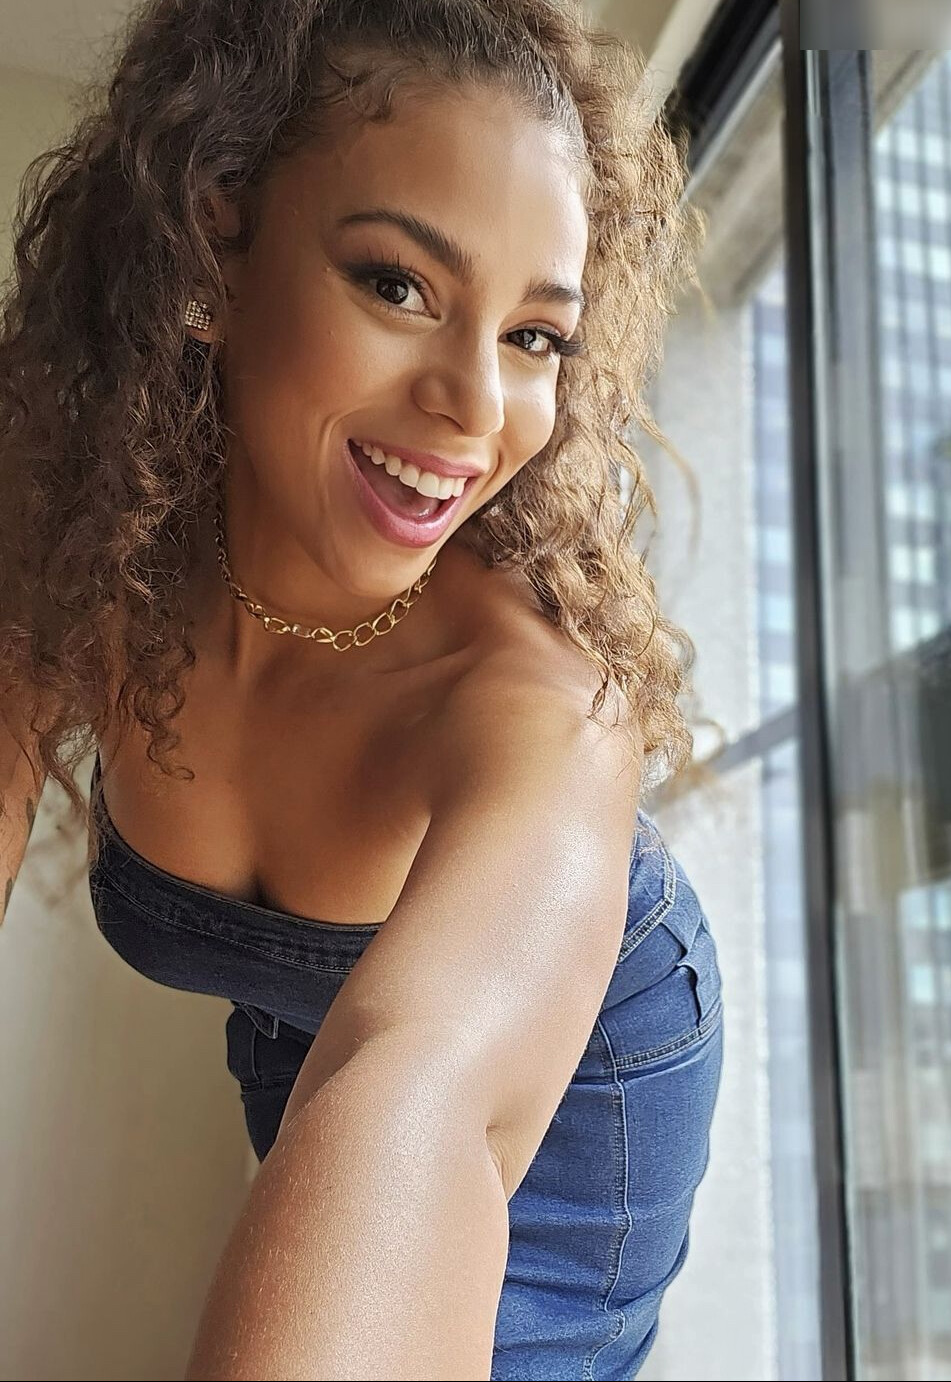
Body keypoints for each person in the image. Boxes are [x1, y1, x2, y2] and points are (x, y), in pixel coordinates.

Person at [0, 1, 723, 1377]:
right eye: (398, 285)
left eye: (536, 337)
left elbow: (428, 1105)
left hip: (576, 1085)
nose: (475, 407)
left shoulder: (540, 713)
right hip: (302, 1031)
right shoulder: (74, 532)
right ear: (214, 249)